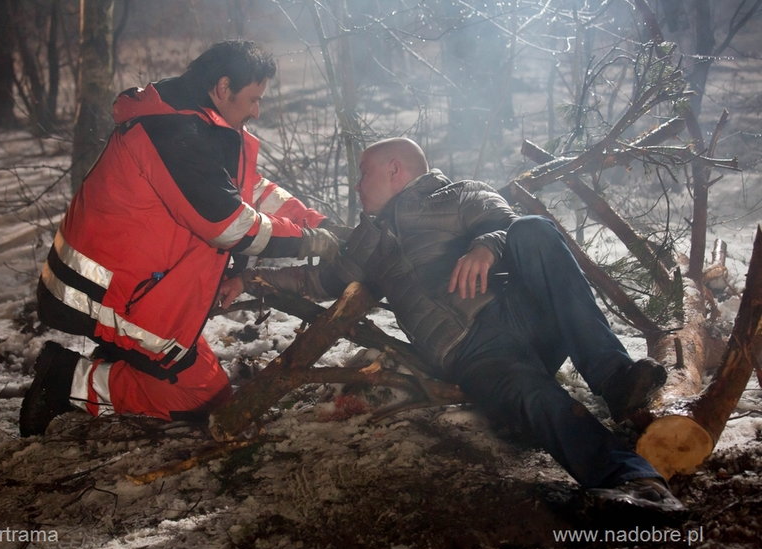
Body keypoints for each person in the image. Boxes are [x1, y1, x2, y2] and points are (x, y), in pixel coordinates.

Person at [218, 137, 686, 514]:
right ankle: (638, 484)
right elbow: (318, 278)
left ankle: (614, 378)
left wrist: (488, 245)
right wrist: (249, 279)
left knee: (534, 231)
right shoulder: (367, 241)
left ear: (395, 169)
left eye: (364, 174)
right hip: (471, 353)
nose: (357, 186)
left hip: (521, 315)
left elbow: (507, 220)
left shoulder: (457, 194)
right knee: (535, 397)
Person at [19, 40, 340, 437]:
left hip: (133, 290)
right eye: (254, 99)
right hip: (103, 295)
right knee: (201, 397)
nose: (257, 111)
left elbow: (249, 189)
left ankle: (121, 361)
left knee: (201, 389)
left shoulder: (197, 123)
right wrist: (311, 241)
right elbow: (229, 224)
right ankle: (65, 379)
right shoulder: (172, 132)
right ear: (223, 88)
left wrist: (320, 223)